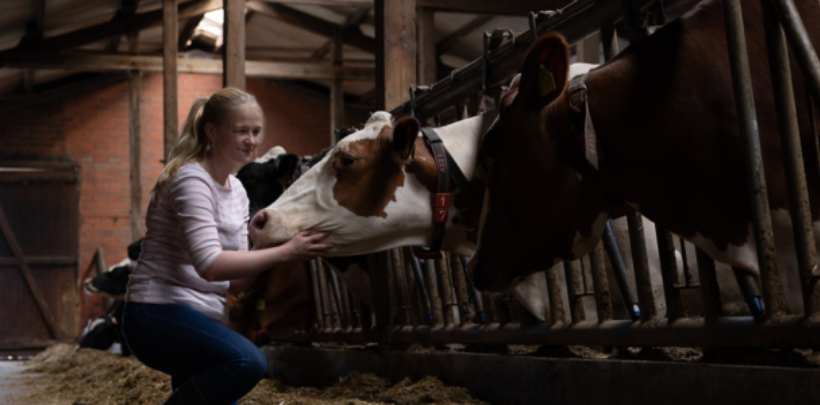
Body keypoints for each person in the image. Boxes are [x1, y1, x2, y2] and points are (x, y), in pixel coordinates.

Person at [122, 87, 331, 405]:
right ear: (212, 132)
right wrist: (287, 252)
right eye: (241, 131)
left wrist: (263, 248)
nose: (251, 140)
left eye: (256, 131)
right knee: (248, 362)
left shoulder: (237, 191)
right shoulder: (191, 181)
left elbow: (235, 284)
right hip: (156, 313)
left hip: (202, 319)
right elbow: (210, 265)